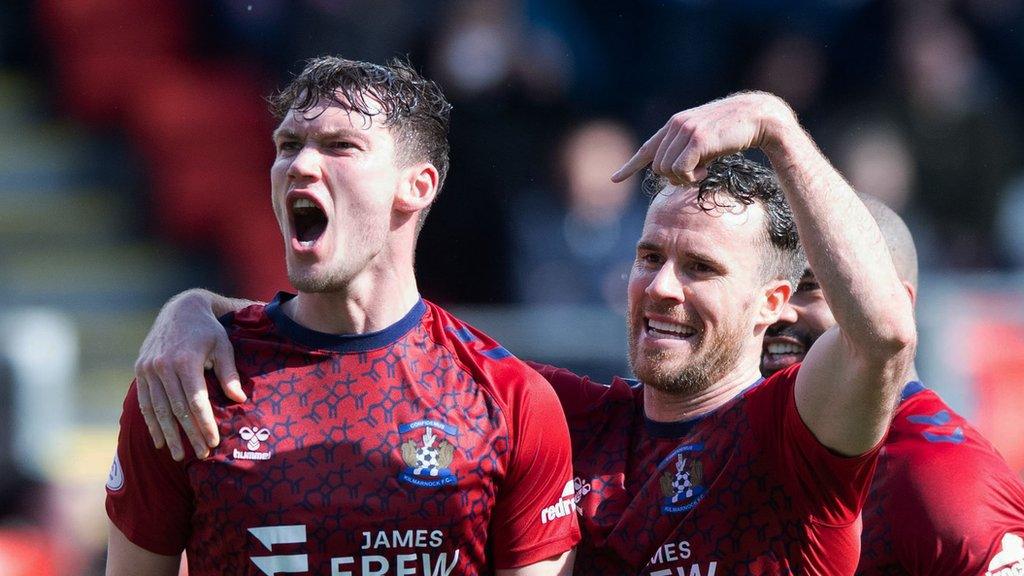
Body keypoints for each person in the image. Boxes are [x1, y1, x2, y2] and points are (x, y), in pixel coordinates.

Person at [134, 92, 917, 573]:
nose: (662, 287)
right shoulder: (566, 411)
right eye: (649, 257)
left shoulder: (797, 432)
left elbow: (883, 337)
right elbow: (385, 336)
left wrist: (777, 129)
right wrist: (196, 308)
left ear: (773, 302)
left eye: (701, 269)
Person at [104, 56, 580, 576]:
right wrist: (190, 303)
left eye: (340, 146)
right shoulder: (190, 381)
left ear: (417, 186)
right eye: (288, 146)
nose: (301, 166)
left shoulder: (508, 398)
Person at [761, 195, 1024, 575]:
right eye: (771, 290)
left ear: (891, 304)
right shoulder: (745, 441)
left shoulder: (942, 480)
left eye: (810, 286)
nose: (779, 310)